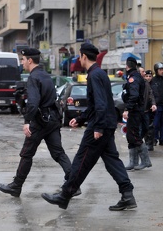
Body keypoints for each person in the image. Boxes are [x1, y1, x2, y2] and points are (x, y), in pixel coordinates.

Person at [41, 43, 136, 211]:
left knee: (82, 159)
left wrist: (97, 127)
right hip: (106, 123)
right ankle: (127, 194)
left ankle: (65, 195)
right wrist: (80, 118)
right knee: (112, 160)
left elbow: (100, 104)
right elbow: (98, 104)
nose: (78, 59)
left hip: (100, 125)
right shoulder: (100, 74)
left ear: (84, 56)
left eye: (79, 56)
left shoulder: (94, 75)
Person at [0, 48, 80, 198]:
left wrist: (27, 121)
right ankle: (73, 184)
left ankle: (16, 186)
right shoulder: (45, 75)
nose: (21, 63)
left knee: (26, 153)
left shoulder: (33, 77)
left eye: (23, 60)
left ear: (29, 60)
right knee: (58, 153)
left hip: (40, 121)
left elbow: (33, 103)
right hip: (52, 120)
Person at [122, 58, 152, 170]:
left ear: (127, 66)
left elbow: (134, 96)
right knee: (130, 135)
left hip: (135, 111)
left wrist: (127, 109)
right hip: (135, 110)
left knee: (134, 135)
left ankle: (145, 161)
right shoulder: (133, 76)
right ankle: (133, 162)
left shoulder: (134, 78)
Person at [138, 67, 157, 152]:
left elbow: (150, 94)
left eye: (149, 75)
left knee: (148, 127)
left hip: (147, 110)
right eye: (145, 74)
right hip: (138, 110)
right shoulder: (136, 82)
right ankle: (139, 144)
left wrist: (153, 104)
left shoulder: (147, 84)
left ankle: (149, 143)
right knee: (140, 128)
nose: (147, 76)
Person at [151, 63, 163, 146]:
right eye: (160, 70)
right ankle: (154, 138)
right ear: (156, 70)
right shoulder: (153, 81)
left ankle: (162, 139)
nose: (162, 71)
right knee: (155, 124)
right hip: (157, 105)